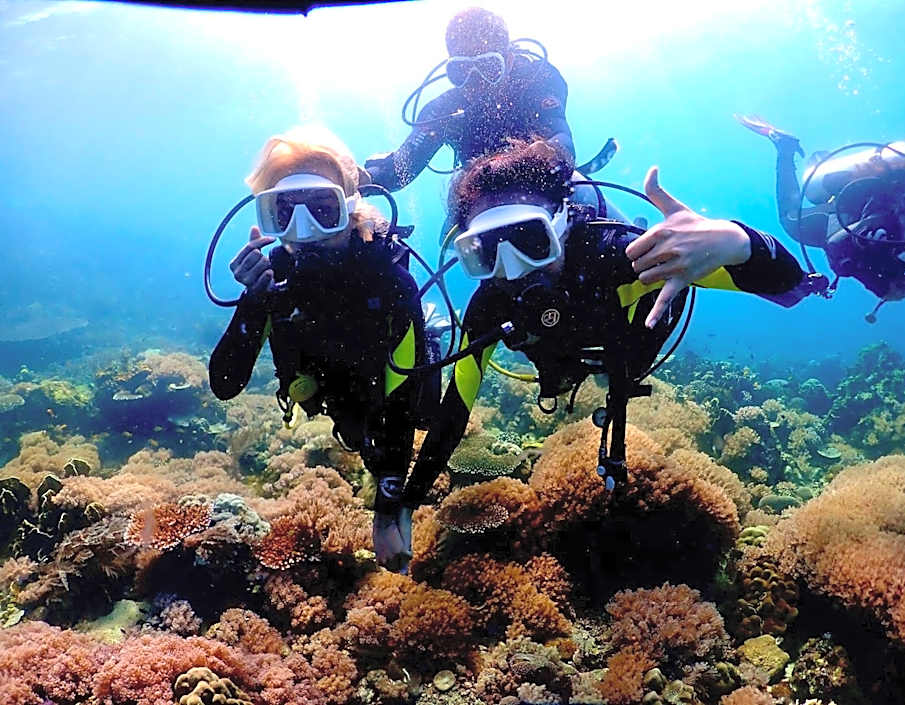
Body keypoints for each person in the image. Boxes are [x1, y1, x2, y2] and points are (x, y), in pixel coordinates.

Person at [381, 139, 828, 570]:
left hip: (630, 347)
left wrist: (736, 241)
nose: (512, 268)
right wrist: (403, 504)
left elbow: (789, 289)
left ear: (561, 223)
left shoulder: (627, 260)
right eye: (487, 251)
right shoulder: (489, 307)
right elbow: (453, 413)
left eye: (530, 241)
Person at [208, 128, 430, 571]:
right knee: (358, 428)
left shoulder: (387, 279)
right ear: (266, 215)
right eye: (284, 212)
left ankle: (434, 331)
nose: (303, 230)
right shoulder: (274, 280)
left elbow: (404, 408)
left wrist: (387, 511)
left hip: (384, 391)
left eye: (323, 210)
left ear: (349, 209)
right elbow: (226, 385)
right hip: (324, 391)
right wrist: (255, 300)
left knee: (424, 411)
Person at [365, 7, 575, 192]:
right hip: (480, 197)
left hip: (546, 187)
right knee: (448, 237)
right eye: (462, 70)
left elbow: (560, 133)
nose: (475, 81)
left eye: (488, 67)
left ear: (509, 61)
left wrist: (553, 151)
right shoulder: (443, 110)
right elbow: (401, 170)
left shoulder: (537, 81)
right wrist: (362, 179)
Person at [737, 115, 905, 320]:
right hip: (843, 215)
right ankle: (785, 150)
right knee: (789, 219)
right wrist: (879, 286)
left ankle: (815, 162)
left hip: (865, 204)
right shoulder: (891, 220)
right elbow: (837, 246)